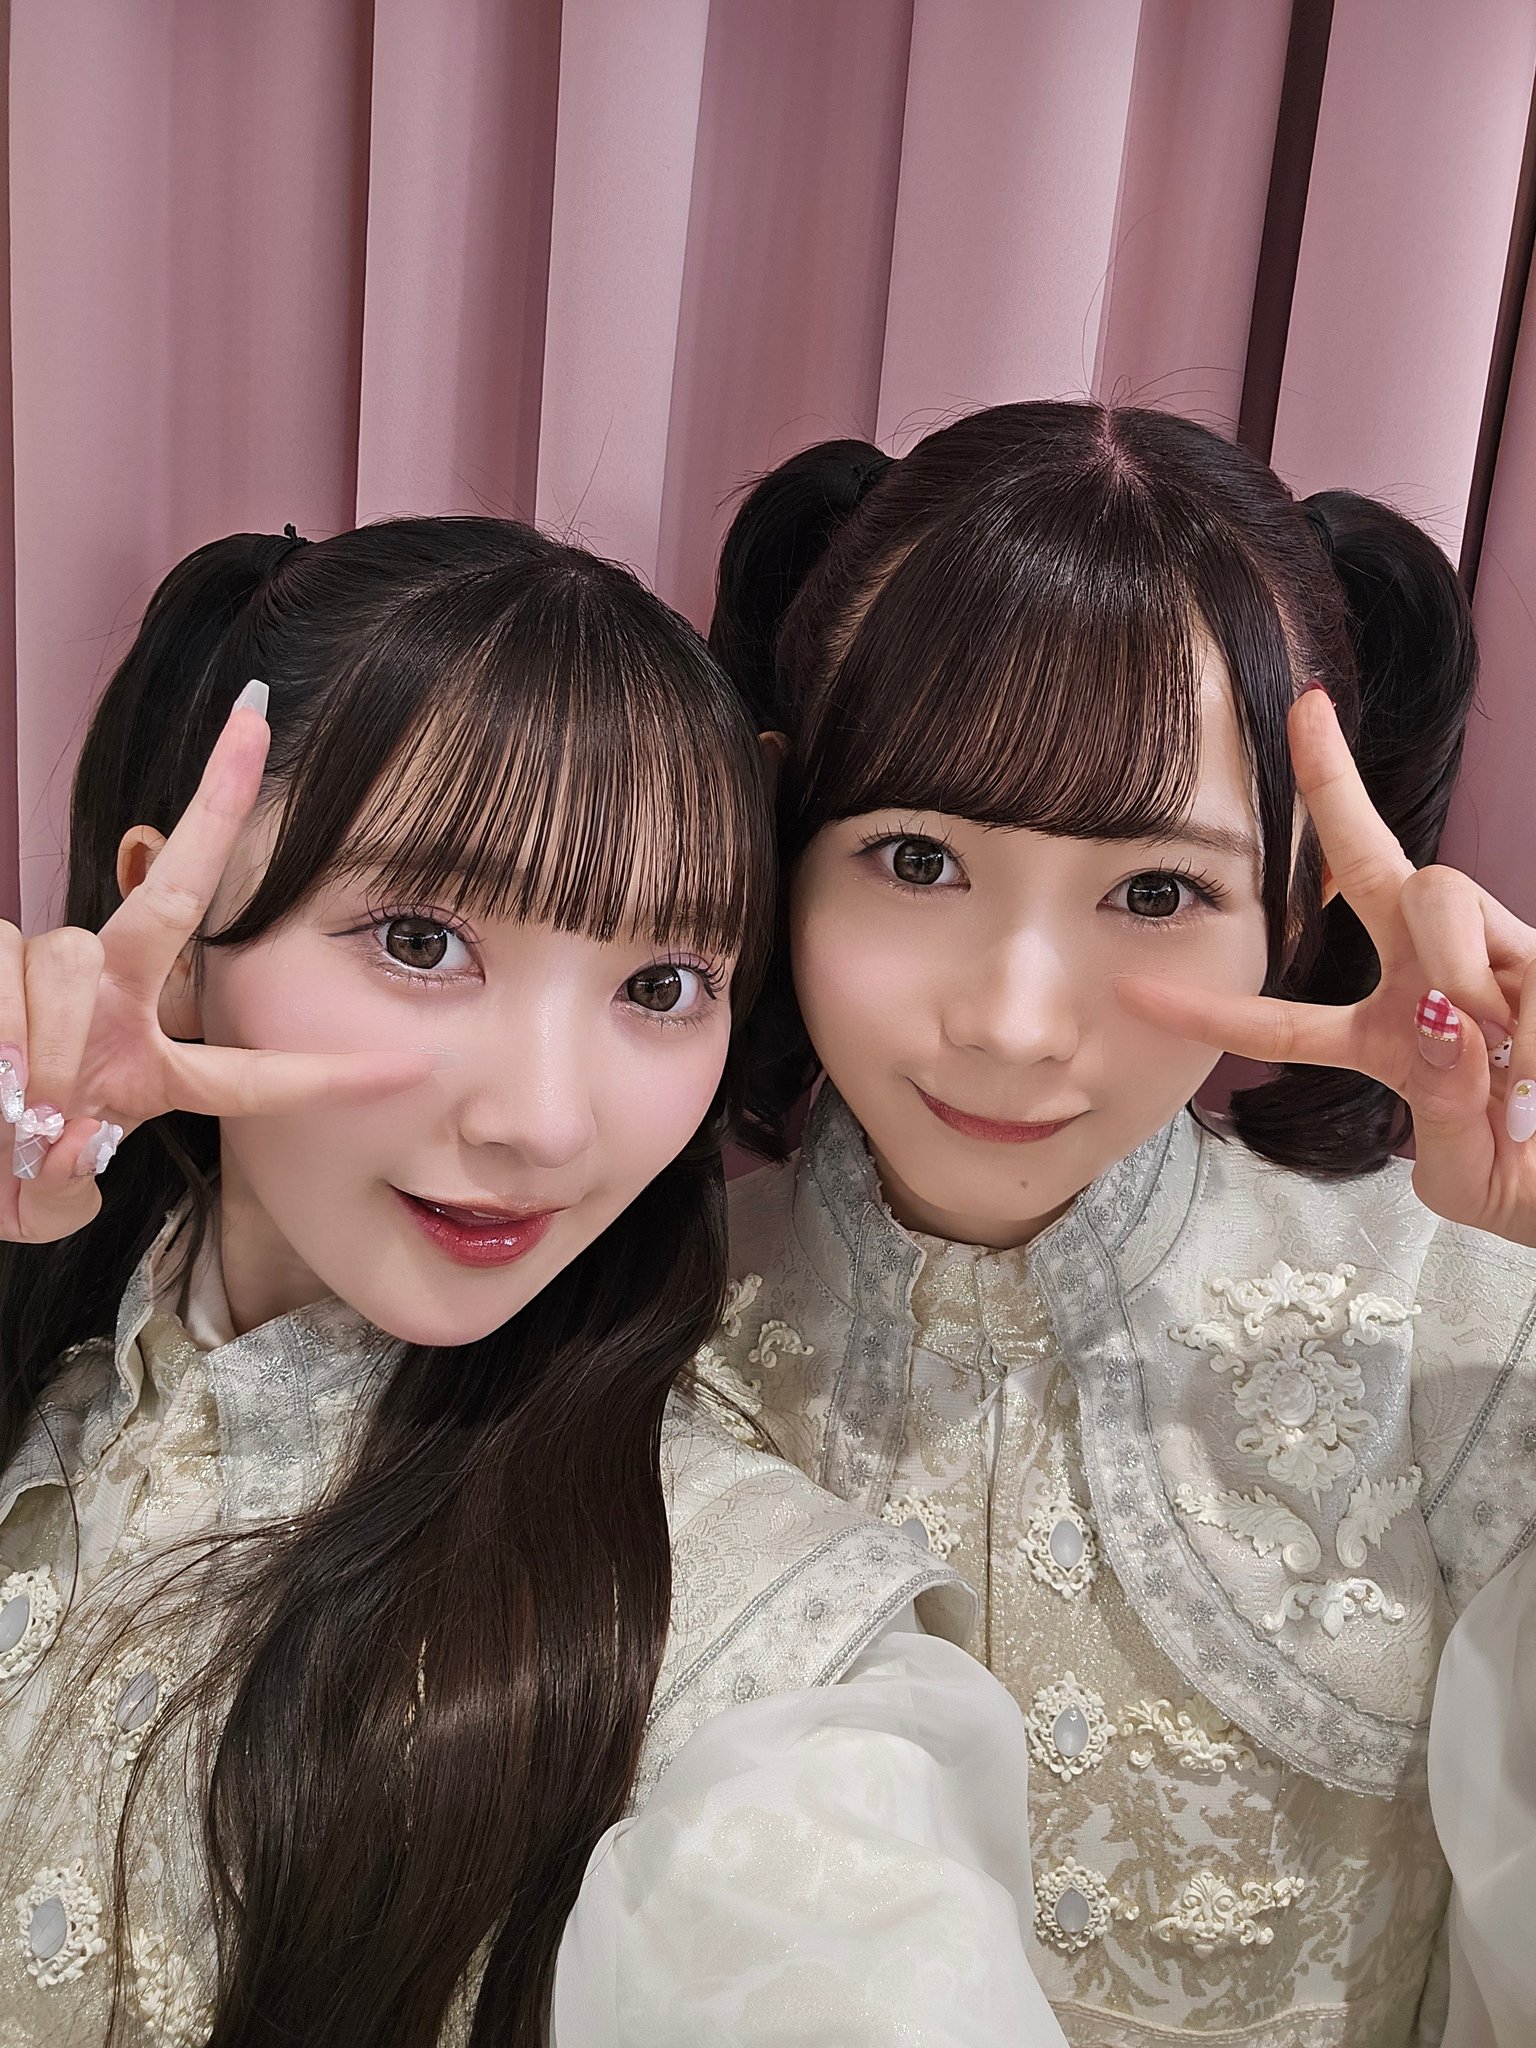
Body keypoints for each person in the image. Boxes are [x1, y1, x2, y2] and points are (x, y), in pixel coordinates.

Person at [0, 518, 1065, 2048]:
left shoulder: (742, 1643)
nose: (547, 1124)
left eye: (661, 986)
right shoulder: (54, 1366)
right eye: (420, 940)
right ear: (177, 939)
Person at [700, 401, 1536, 2046]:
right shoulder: (626, 1316)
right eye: (916, 857)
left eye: (1158, 892)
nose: (1014, 1024)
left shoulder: (1469, 1320)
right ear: (781, 840)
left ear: (1297, 905)